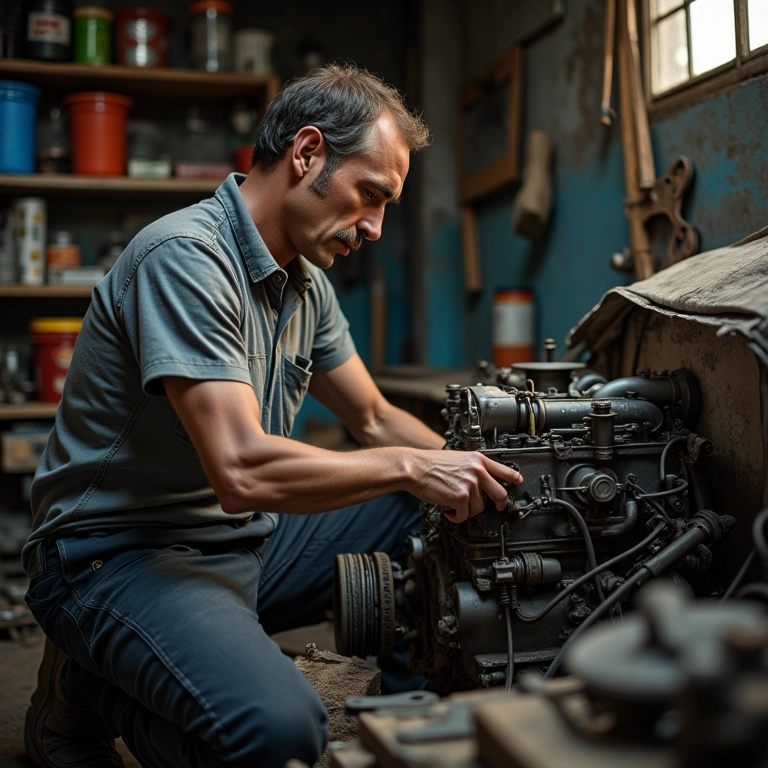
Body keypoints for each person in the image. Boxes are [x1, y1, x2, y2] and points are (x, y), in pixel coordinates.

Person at [22, 64, 523, 768]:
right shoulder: (187, 258)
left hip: (238, 542)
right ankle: (86, 681)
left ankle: (413, 725)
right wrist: (416, 466)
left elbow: (375, 419)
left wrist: (489, 475)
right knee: (281, 735)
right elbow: (240, 470)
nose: (375, 227)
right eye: (370, 196)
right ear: (308, 152)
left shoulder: (305, 286)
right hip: (116, 554)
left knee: (432, 509)